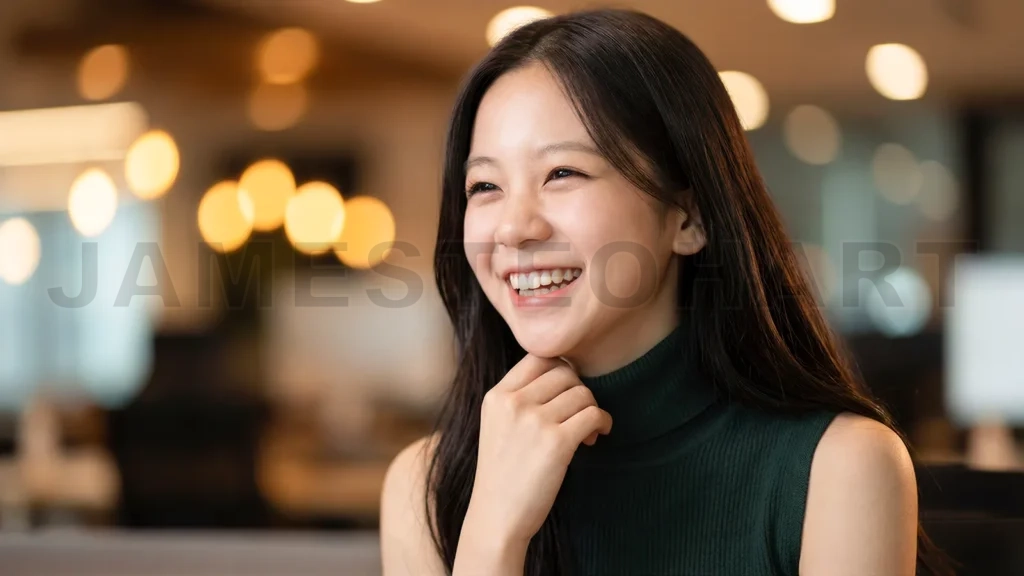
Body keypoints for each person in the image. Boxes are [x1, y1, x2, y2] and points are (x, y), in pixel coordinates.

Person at [381, 8, 950, 576]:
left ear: (688, 216)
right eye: (484, 186)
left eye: (562, 174)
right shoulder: (426, 487)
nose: (513, 227)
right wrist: (492, 536)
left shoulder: (840, 468)